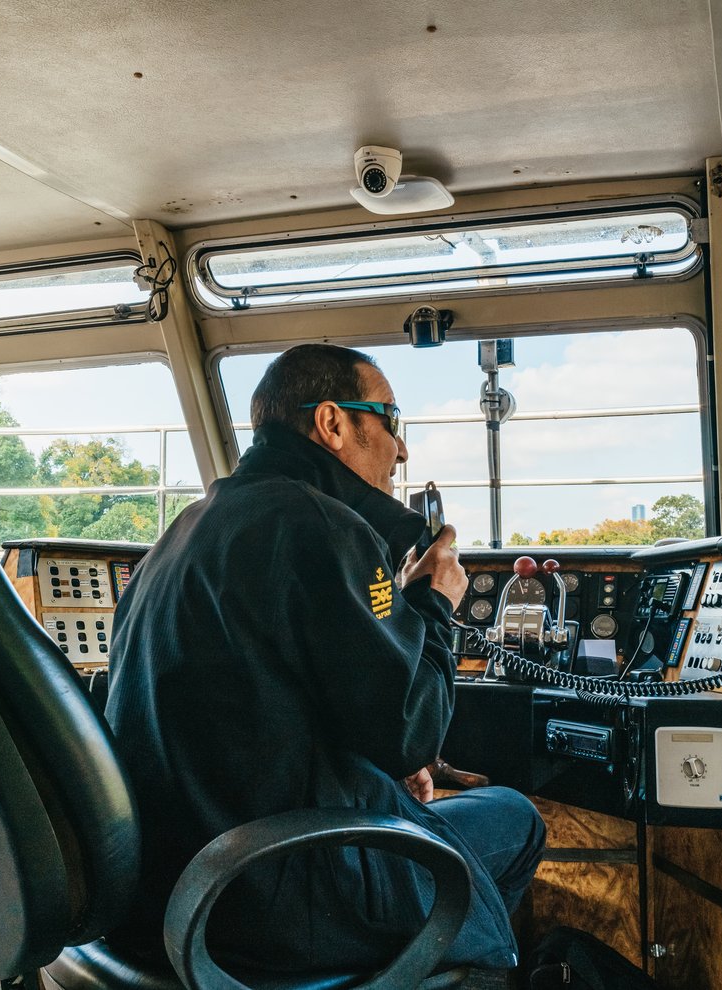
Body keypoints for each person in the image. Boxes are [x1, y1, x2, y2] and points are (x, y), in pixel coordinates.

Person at [105, 343, 545, 975]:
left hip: (177, 895)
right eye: (391, 420)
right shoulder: (325, 527)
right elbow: (412, 734)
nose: (402, 449)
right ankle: (438, 971)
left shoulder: (178, 536)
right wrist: (434, 607)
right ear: (334, 423)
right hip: (287, 897)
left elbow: (265, 704)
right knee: (518, 818)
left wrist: (377, 775)